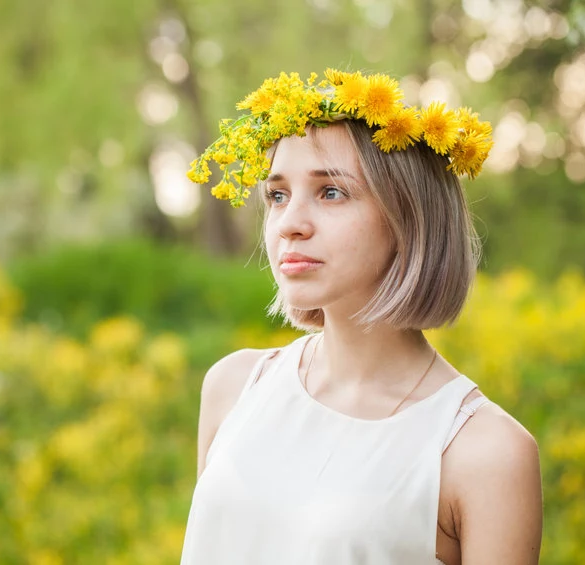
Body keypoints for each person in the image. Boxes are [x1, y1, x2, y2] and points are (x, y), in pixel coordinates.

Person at [181, 70, 543, 565]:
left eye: (331, 192)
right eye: (277, 194)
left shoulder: (484, 452)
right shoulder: (232, 387)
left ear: (408, 218)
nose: (290, 224)